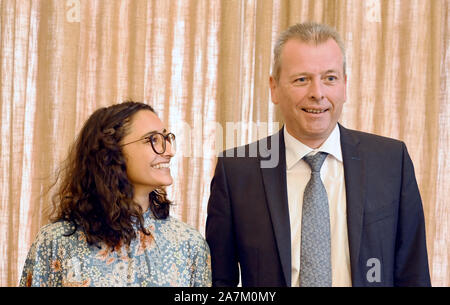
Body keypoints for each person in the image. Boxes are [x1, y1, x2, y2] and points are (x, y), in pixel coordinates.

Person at [206, 22, 431, 287]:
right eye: (302, 79)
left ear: (345, 85)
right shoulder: (236, 172)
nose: (317, 93)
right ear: (274, 87)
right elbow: (220, 282)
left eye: (330, 78)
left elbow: (413, 275)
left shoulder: (392, 162)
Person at [20, 101, 211, 287]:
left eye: (166, 138)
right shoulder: (55, 243)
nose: (169, 151)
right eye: (152, 139)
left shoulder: (189, 244)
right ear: (111, 152)